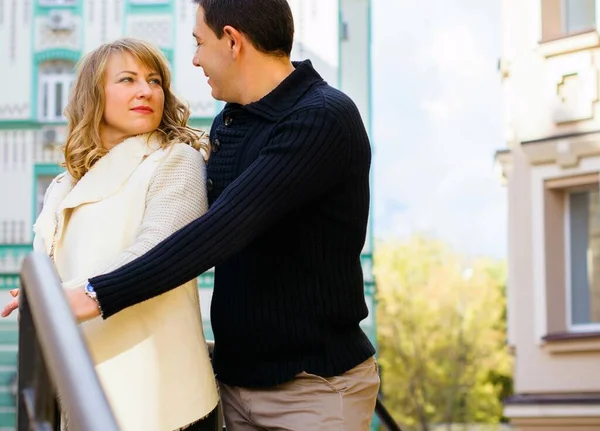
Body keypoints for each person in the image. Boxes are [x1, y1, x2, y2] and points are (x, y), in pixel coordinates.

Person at [12, 0, 380, 429]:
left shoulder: (321, 118)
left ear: (232, 41)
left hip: (311, 388)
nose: (194, 58)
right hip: (236, 383)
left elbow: (222, 228)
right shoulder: (231, 122)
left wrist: (92, 293)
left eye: (199, 43)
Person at [3, 38, 219, 430]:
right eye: (127, 79)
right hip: (84, 387)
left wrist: (64, 294)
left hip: (163, 400)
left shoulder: (175, 160)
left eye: (154, 80)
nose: (146, 91)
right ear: (94, 95)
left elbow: (158, 252)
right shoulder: (61, 186)